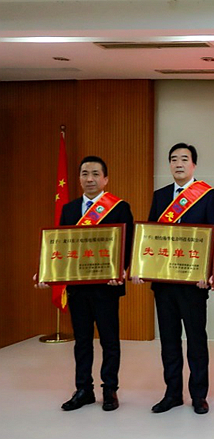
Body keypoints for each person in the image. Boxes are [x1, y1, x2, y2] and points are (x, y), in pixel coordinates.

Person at [36, 156, 133, 412]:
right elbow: (60, 246)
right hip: (78, 288)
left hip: (106, 287)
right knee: (82, 341)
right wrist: (45, 271)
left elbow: (128, 245)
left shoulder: (119, 208)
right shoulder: (69, 210)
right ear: (79, 178)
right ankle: (83, 389)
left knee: (109, 340)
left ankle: (110, 389)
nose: (89, 179)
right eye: (84, 174)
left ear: (105, 179)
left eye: (95, 174)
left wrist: (121, 270)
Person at [137, 143, 214, 415]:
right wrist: (141, 267)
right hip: (164, 284)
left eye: (184, 159)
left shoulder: (209, 195)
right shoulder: (160, 196)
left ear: (194, 164)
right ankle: (172, 393)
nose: (179, 163)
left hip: (194, 285)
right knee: (169, 341)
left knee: (196, 341)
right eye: (174, 159)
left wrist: (209, 273)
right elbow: (151, 236)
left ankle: (199, 395)